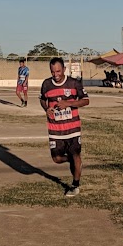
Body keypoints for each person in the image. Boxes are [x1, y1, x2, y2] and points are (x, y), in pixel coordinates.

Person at [39, 57, 90, 197]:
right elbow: (43, 99)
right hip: (55, 129)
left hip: (73, 128)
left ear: (64, 69)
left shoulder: (74, 83)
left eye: (58, 71)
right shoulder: (46, 84)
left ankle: (75, 185)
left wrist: (68, 103)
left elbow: (86, 101)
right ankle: (74, 162)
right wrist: (46, 109)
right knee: (56, 158)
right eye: (53, 71)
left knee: (76, 154)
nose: (56, 74)